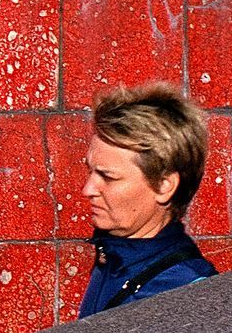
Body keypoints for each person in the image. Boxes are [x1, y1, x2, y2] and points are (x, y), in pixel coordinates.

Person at [77, 83, 216, 318]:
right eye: (90, 171)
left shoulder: (189, 296)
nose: (88, 189)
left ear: (164, 186)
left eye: (108, 177)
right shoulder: (113, 254)